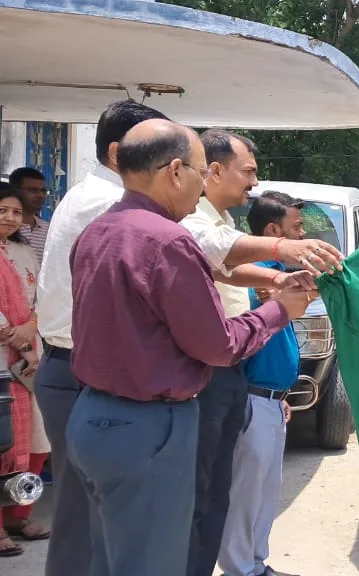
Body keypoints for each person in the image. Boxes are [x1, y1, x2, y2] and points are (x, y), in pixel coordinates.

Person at [64, 119, 312, 576]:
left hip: (93, 418)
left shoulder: (98, 231)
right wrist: (282, 310)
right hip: (149, 427)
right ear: (175, 171)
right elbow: (218, 346)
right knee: (153, 560)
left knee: (109, 558)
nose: (202, 189)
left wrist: (276, 282)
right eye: (201, 173)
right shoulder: (167, 240)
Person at [182, 130, 343, 576]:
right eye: (248, 171)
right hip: (227, 380)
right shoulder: (193, 224)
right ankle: (238, 567)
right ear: (213, 171)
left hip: (249, 388)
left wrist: (277, 279)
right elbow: (219, 260)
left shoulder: (224, 228)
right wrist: (280, 261)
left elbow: (226, 266)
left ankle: (252, 564)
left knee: (247, 491)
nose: (253, 183)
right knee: (222, 494)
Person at [33, 99, 170, 576]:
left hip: (71, 369)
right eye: (161, 153)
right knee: (89, 519)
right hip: (81, 374)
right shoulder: (107, 203)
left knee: (90, 514)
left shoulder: (95, 194)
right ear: (119, 154)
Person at [218, 191, 305, 576]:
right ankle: (239, 568)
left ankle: (255, 562)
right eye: (297, 227)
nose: (302, 234)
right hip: (252, 397)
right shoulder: (252, 276)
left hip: (273, 400)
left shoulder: (276, 274)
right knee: (246, 492)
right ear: (273, 230)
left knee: (265, 490)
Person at [0, 184, 46, 557]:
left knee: (34, 441)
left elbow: (39, 297)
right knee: (2, 443)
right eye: (3, 209)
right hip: (3, 356)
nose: (10, 217)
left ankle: (19, 513)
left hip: (28, 354)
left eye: (16, 212)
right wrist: (10, 333)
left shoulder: (22, 251)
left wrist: (30, 328)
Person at [6, 168, 48, 264]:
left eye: (43, 191)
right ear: (15, 191)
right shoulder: (5, 227)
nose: (40, 195)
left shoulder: (49, 230)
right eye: (33, 190)